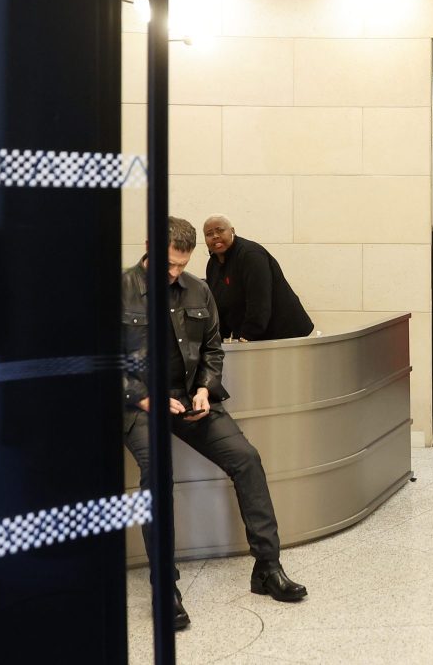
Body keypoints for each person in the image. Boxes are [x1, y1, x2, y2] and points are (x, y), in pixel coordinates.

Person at [122, 216, 307, 631]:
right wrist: (146, 397)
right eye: (168, 264)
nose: (174, 273)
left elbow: (211, 348)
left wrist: (206, 387)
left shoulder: (197, 288)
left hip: (190, 399)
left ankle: (267, 566)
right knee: (158, 473)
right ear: (150, 244)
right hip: (140, 404)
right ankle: (164, 587)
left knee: (246, 458)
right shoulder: (119, 290)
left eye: (181, 265)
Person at [202, 214, 313, 341]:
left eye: (220, 230)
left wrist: (247, 336)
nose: (215, 236)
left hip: (284, 334)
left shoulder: (251, 255)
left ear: (232, 231)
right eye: (209, 234)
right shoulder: (212, 265)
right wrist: (217, 339)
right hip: (252, 336)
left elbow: (259, 300)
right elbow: (218, 306)